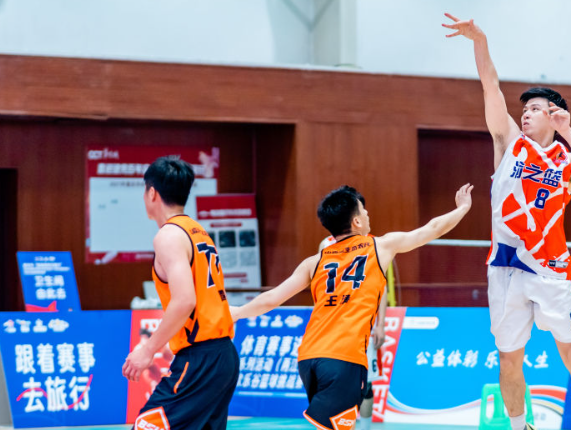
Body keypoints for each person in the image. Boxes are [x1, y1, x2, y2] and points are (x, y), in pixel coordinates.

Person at [443, 13, 571, 430]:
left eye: (535, 109)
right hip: (506, 268)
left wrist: (569, 133)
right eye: (526, 109)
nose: (527, 114)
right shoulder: (509, 142)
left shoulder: (565, 159)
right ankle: (519, 428)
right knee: (509, 358)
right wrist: (479, 40)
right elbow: (490, 85)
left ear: (554, 116)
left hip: (551, 269)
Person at [232, 183, 473, 430]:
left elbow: (272, 298)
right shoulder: (380, 246)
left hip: (309, 358)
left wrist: (237, 312)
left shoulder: (314, 262)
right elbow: (432, 229)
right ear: (357, 221)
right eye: (363, 210)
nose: (368, 214)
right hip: (343, 359)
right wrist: (462, 208)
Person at [122, 157, 238, 430]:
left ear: (152, 193)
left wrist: (147, 350)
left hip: (200, 359)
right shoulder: (198, 232)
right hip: (222, 355)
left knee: (147, 425)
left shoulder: (168, 236)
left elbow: (185, 300)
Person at [318, 235, 388, 430]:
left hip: (363, 326)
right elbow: (320, 284)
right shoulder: (326, 244)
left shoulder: (374, 244)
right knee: (334, 382)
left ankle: (364, 427)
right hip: (334, 326)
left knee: (365, 384)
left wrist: (381, 324)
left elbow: (381, 287)